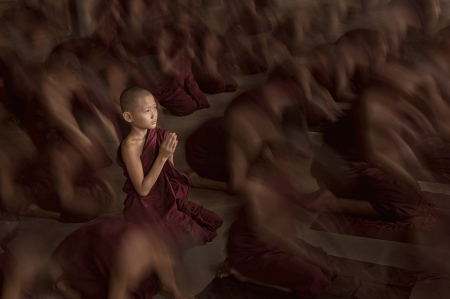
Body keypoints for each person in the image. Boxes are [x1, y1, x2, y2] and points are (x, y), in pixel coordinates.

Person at [218, 142, 341, 298]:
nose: (291, 164)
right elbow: (266, 232)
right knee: (315, 277)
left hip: (279, 245)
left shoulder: (282, 176)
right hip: (252, 252)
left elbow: (302, 203)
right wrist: (301, 253)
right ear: (272, 159)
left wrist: (322, 200)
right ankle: (242, 274)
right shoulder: (254, 185)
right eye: (286, 159)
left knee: (330, 267)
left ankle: (249, 270)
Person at [117, 87, 223, 251]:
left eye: (154, 107)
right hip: (146, 205)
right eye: (146, 110)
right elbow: (143, 190)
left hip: (166, 193)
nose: (154, 114)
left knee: (212, 220)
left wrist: (169, 155)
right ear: (128, 116)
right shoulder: (130, 147)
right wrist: (162, 156)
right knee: (190, 235)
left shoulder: (159, 135)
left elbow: (170, 174)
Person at [51, 219, 195, 299]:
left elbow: (165, 265)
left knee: (150, 284)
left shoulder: (158, 243)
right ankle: (63, 287)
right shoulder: (129, 262)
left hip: (111, 242)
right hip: (86, 253)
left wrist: (177, 294)